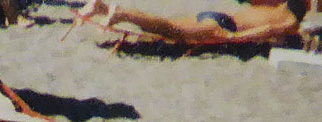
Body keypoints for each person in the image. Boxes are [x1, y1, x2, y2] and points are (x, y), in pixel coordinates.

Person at [78, 0, 308, 43]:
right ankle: (119, 13)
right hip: (223, 26)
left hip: (218, 17)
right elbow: (266, 29)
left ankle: (103, 7)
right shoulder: (290, 21)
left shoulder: (280, 5)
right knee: (170, 29)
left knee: (166, 23)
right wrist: (233, 37)